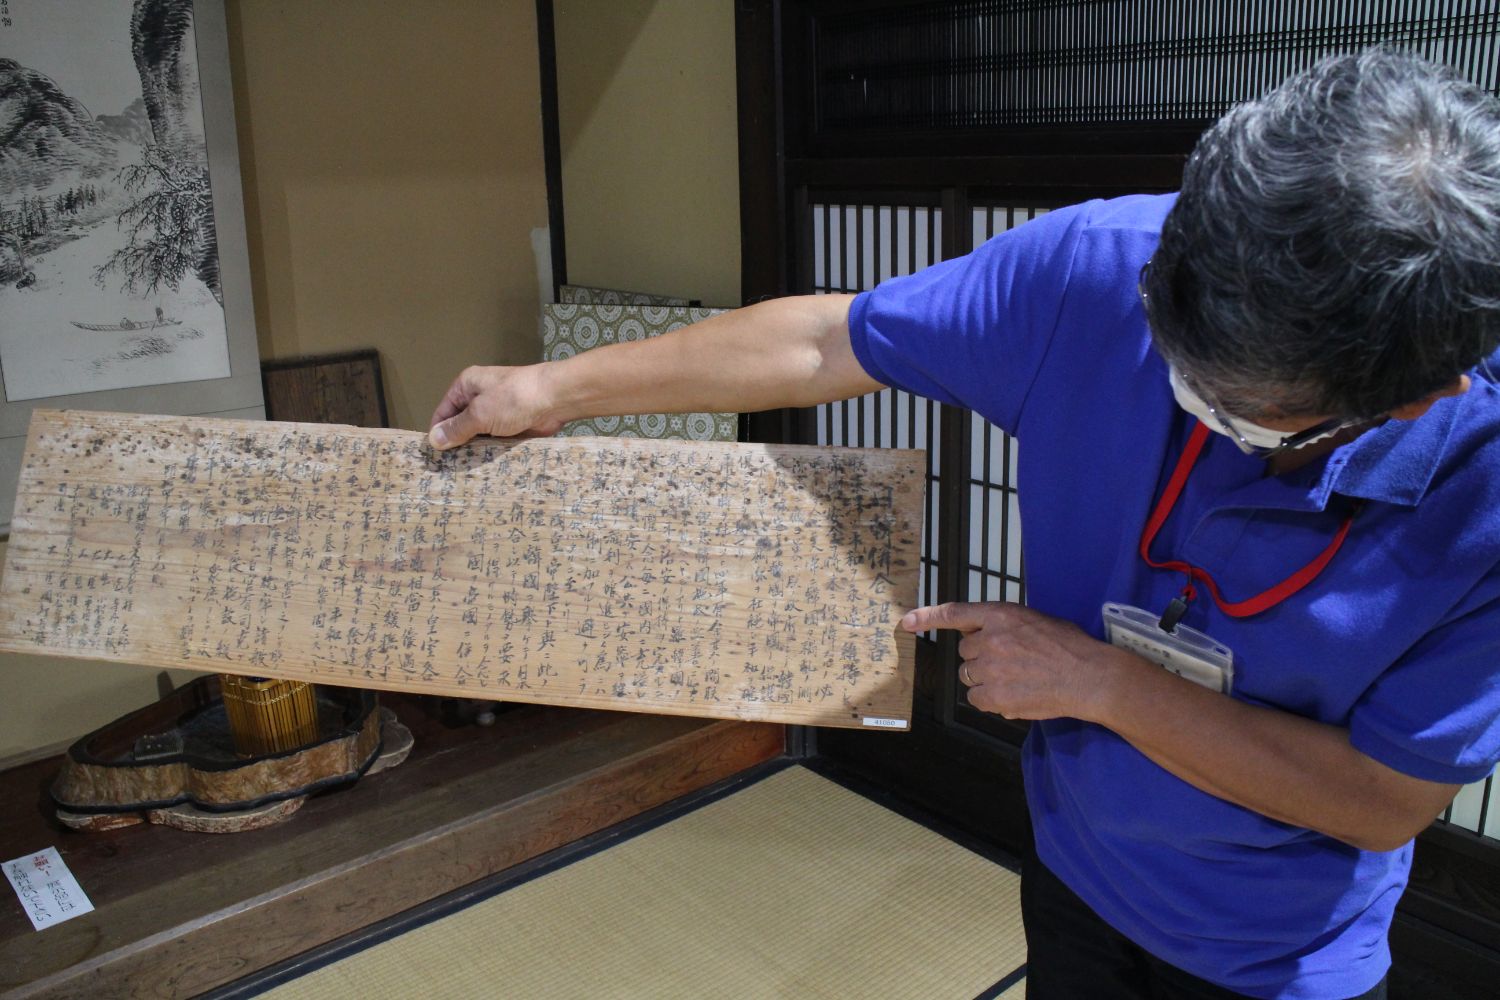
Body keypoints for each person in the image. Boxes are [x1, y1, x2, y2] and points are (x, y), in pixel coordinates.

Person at [429, 49, 1500, 1000]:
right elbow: (826, 341)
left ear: (1413, 399)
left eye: (1235, 402)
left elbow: (1380, 799)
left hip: (1281, 953)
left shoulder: (1481, 490)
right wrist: (552, 387)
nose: (1181, 392)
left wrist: (1102, 684)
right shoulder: (1109, 270)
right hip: (1075, 867)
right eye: (1173, 352)